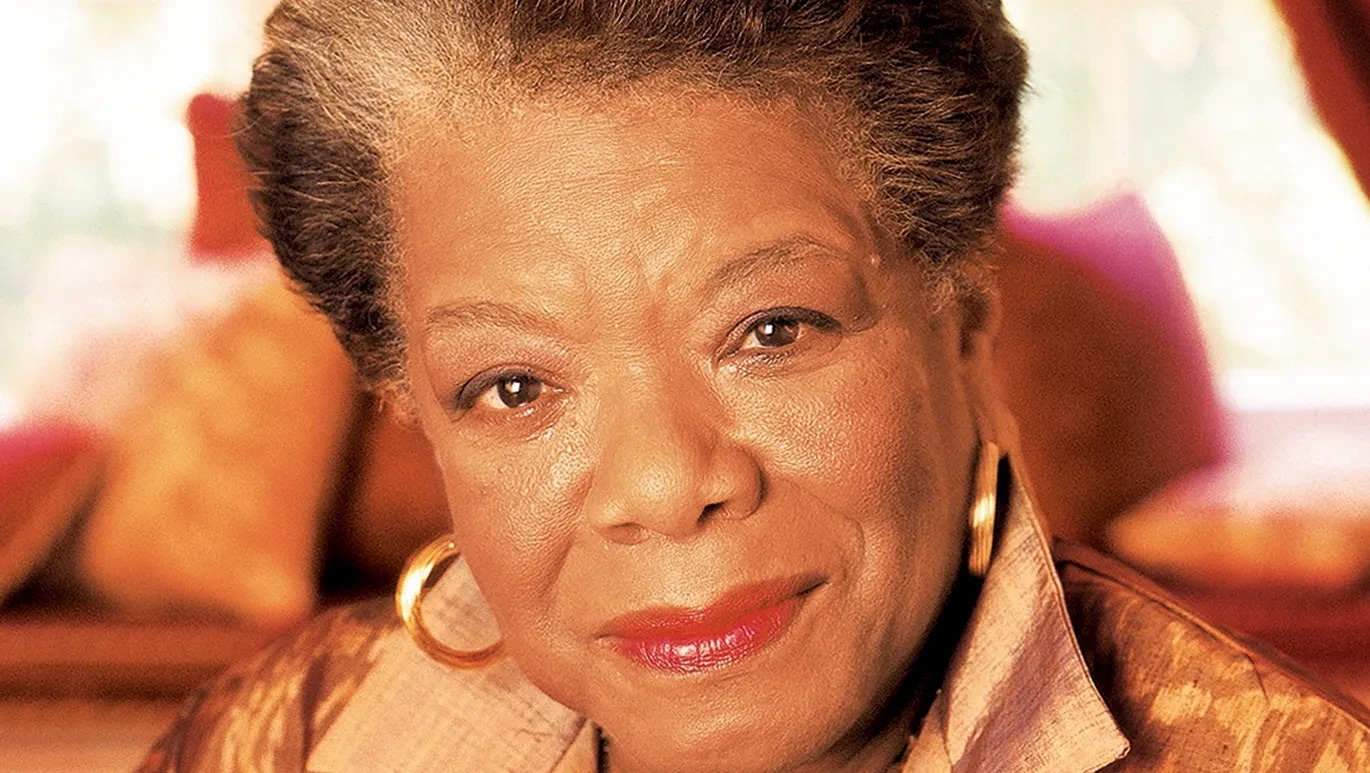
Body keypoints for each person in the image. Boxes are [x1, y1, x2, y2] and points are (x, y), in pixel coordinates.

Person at [141, 1, 1370, 771]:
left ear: (965, 336)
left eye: (771, 328)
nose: (666, 486)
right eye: (513, 386)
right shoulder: (285, 738)